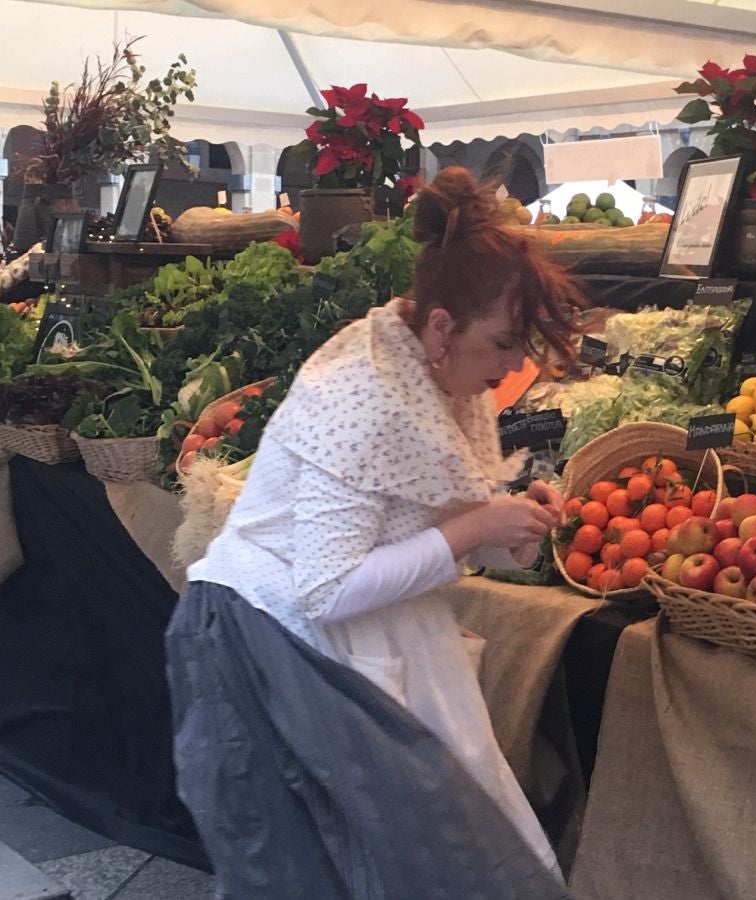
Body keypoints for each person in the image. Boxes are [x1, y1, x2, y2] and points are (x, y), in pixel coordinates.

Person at [166, 166, 584, 899]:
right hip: (273, 640)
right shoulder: (361, 395)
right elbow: (326, 589)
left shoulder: (444, 374)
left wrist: (511, 526)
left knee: (447, 854)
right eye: (506, 343)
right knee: (337, 869)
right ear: (442, 327)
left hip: (363, 631)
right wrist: (473, 530)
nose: (517, 364)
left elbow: (427, 524)